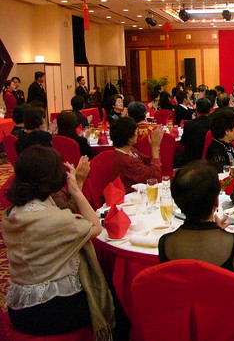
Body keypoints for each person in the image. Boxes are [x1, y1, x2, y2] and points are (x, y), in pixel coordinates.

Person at [2, 145, 114, 337]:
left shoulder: (11, 214)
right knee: (115, 294)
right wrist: (76, 190)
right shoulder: (53, 219)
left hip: (19, 308)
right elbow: (95, 227)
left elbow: (63, 217)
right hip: (52, 310)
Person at [158, 161, 234, 339]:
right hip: (230, 330)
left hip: (185, 329)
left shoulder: (166, 243)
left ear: (177, 202)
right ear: (216, 200)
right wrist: (219, 234)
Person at [110, 116, 163, 193]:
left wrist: (155, 147)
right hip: (130, 195)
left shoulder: (130, 150)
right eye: (135, 132)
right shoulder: (126, 160)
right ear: (129, 138)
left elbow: (148, 161)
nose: (137, 134)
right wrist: (155, 148)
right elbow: (154, 177)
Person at [174, 98, 212, 168]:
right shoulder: (214, 124)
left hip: (190, 157)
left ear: (196, 110)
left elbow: (183, 142)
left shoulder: (189, 124)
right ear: (210, 110)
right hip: (209, 156)